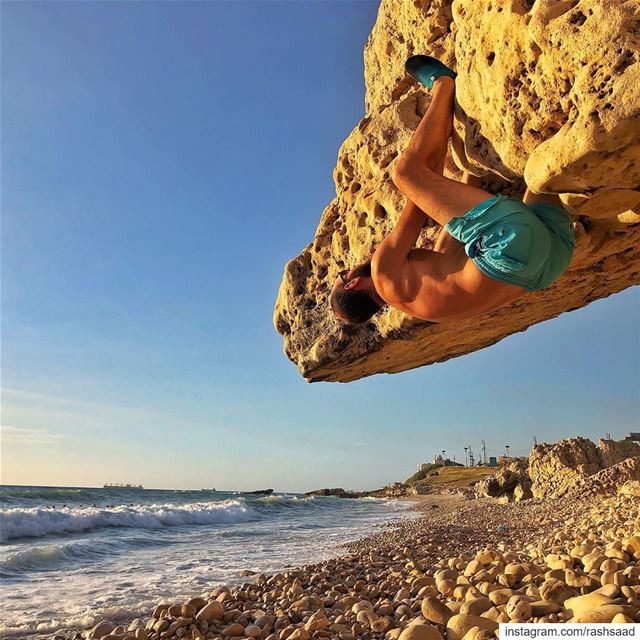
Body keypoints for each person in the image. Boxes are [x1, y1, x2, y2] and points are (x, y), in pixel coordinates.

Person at [330, 56, 575, 324]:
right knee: (404, 175)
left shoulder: (423, 296)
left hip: (549, 263)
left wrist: (470, 162)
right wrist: (442, 136)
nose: (349, 269)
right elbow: (419, 200)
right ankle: (443, 83)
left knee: (546, 166)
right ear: (352, 284)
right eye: (343, 274)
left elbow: (456, 222)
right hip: (507, 248)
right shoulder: (382, 272)